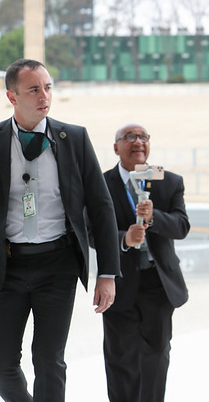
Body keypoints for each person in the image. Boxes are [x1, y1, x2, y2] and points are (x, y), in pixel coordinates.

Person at [0, 58, 120, 402]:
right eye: (34, 89)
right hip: (8, 267)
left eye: (48, 87)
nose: (44, 96)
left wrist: (108, 272)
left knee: (49, 360)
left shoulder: (73, 138)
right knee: (3, 363)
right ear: (12, 96)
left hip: (58, 265)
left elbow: (101, 206)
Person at [101, 123, 190, 402]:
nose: (137, 142)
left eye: (143, 137)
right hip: (119, 283)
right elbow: (91, 232)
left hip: (158, 284)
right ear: (116, 147)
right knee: (120, 359)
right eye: (129, 137)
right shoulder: (101, 184)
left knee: (156, 358)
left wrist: (154, 218)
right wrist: (124, 238)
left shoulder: (168, 180)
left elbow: (182, 227)